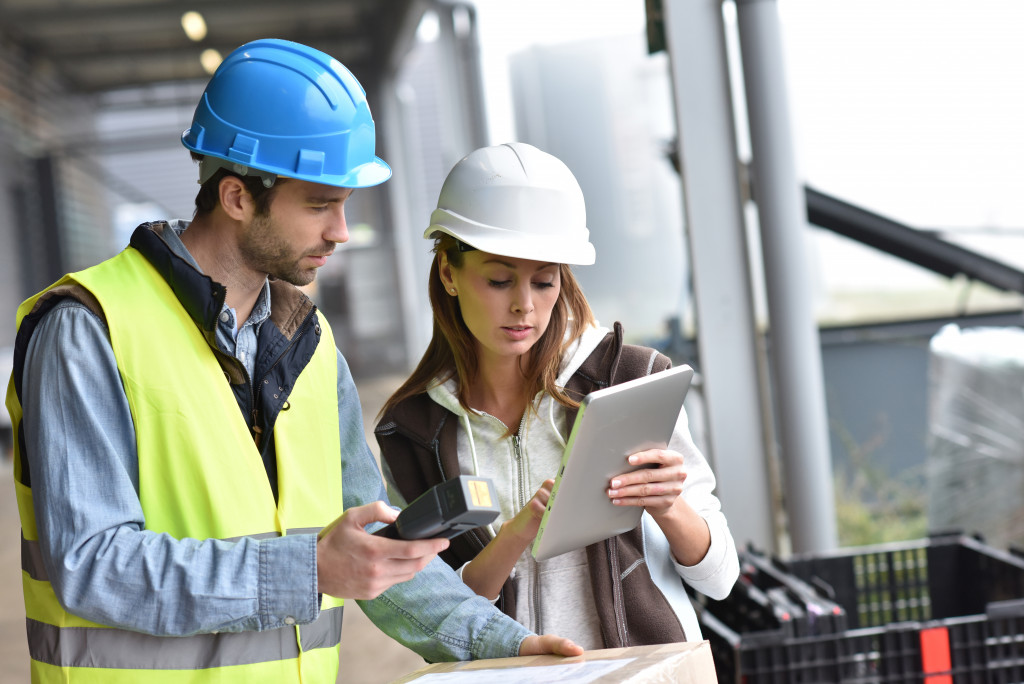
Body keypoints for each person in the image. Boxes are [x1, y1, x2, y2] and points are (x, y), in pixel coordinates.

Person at [4, 40, 581, 683]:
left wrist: (500, 642)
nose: (340, 230)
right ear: (237, 197)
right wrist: (308, 569)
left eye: (345, 204)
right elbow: (91, 564)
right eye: (318, 205)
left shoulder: (309, 341)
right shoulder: (87, 330)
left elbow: (375, 558)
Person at [375, 142, 740, 649]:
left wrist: (668, 505)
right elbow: (428, 615)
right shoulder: (412, 430)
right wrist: (516, 536)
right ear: (448, 274)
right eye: (499, 280)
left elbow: (720, 578)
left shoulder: (630, 381)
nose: (524, 306)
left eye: (544, 282)